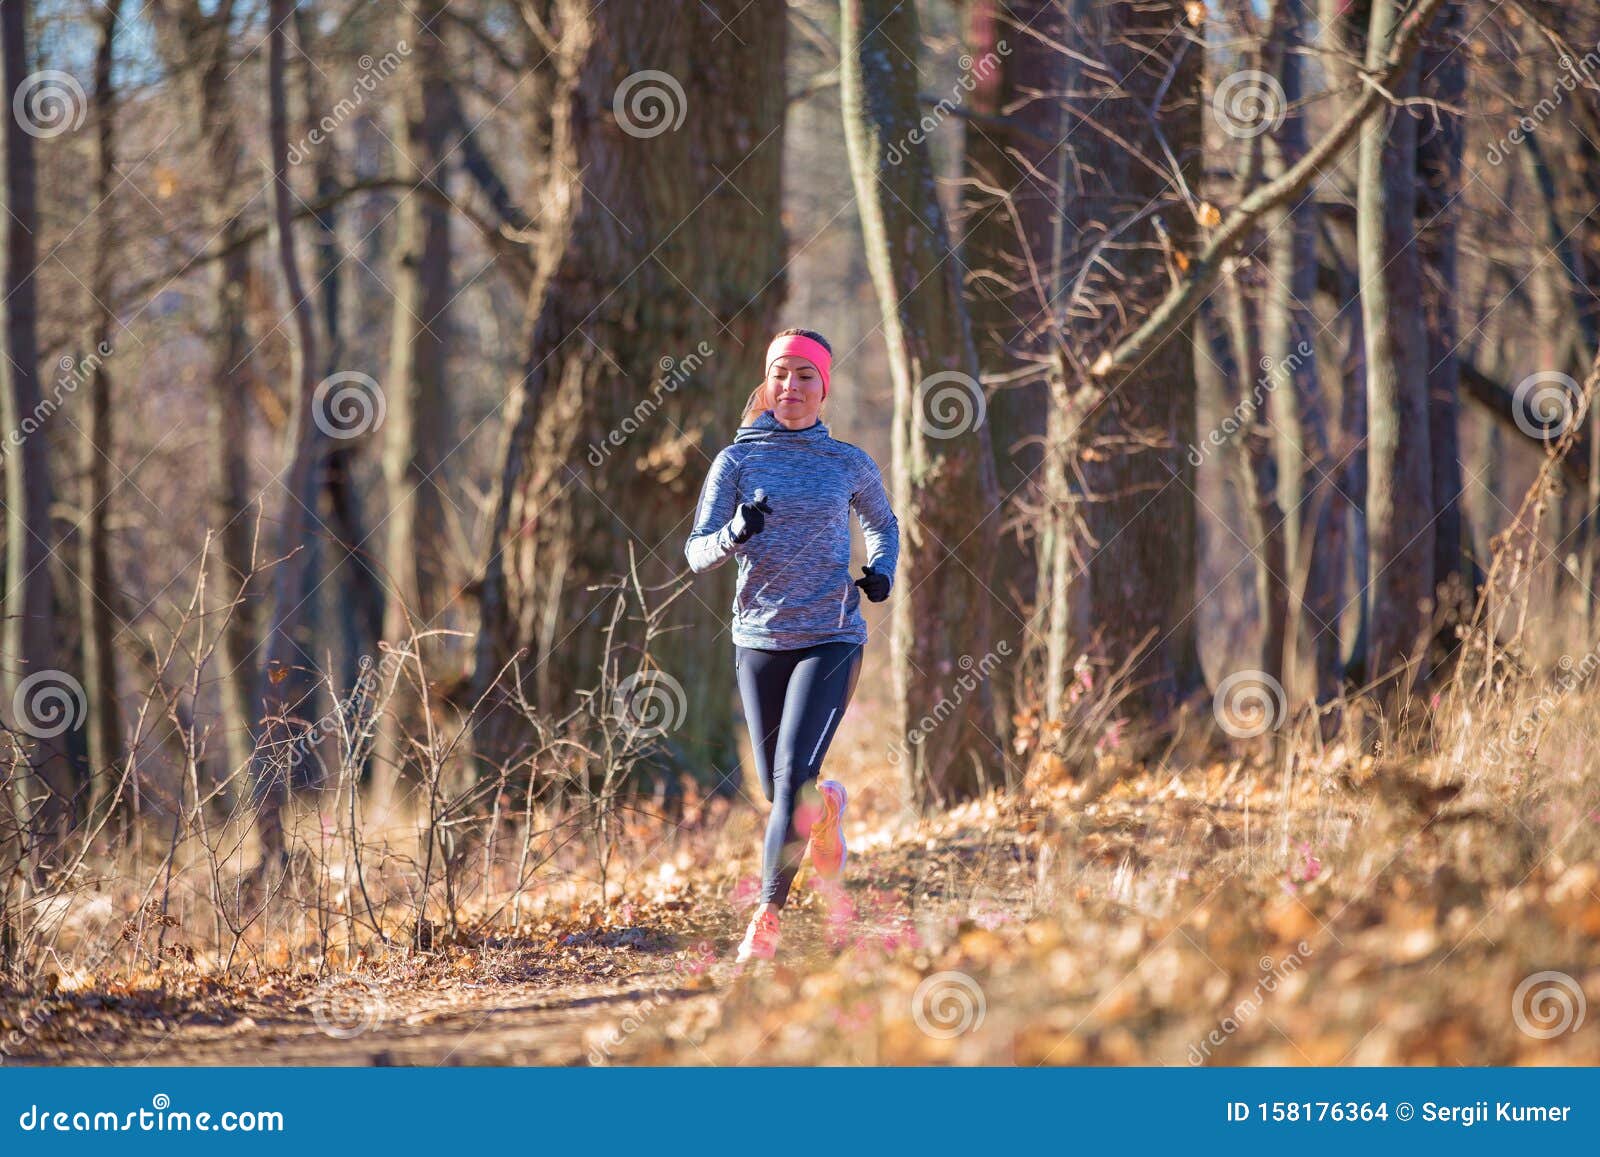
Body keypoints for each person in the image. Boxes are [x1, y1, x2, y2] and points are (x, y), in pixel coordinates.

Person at [685, 328, 900, 963]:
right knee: (787, 791)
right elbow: (696, 552)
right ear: (767, 382)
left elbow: (882, 523)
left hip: (831, 636)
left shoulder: (847, 462)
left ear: (823, 388)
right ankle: (827, 808)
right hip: (759, 639)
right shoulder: (735, 461)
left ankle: (765, 921)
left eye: (806, 376)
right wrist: (734, 531)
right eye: (781, 374)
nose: (792, 387)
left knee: (791, 775)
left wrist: (881, 569)